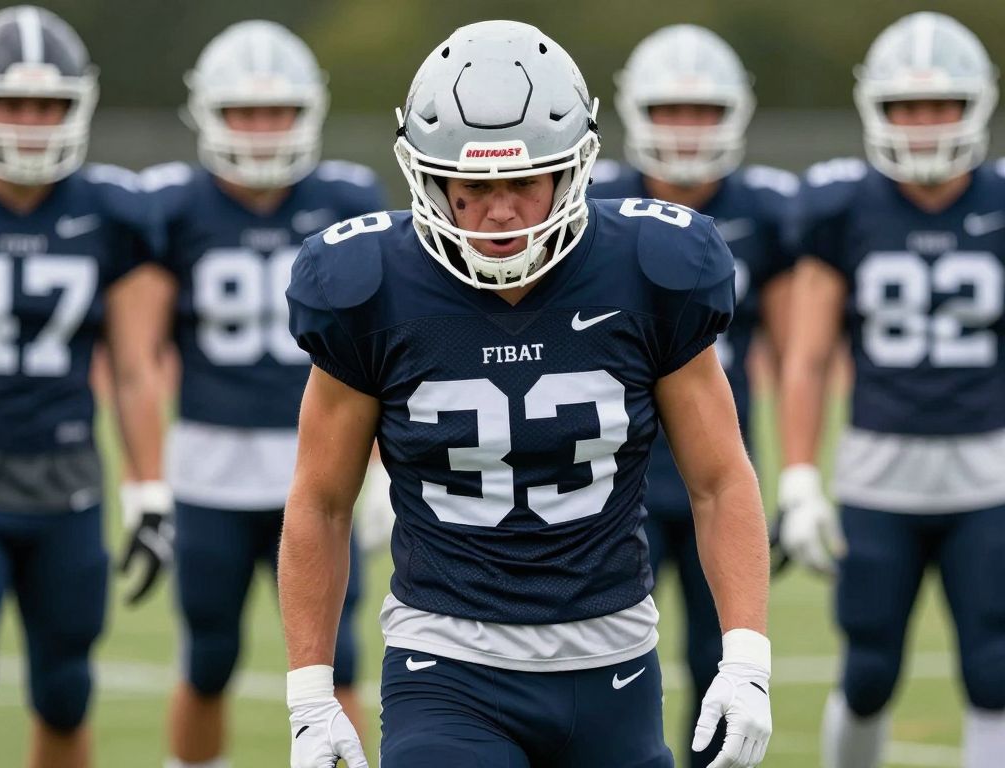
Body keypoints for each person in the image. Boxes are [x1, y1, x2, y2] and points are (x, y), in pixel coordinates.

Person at [281, 19, 772, 768]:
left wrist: (746, 659)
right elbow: (320, 500)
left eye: (524, 182)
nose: (501, 210)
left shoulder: (650, 268)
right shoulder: (368, 286)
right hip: (446, 661)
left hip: (614, 659)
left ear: (572, 171)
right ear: (430, 179)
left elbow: (719, 478)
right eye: (475, 187)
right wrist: (311, 695)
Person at [121, 20, 386, 768]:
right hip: (210, 469)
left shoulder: (347, 198)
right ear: (208, 114)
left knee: (340, 660)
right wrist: (146, 482)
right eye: (243, 113)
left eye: (278, 112)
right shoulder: (172, 207)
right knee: (207, 659)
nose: (262, 131)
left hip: (322, 465)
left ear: (310, 113)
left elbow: (383, 350)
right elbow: (137, 354)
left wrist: (385, 469)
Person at [778, 12, 1005, 768]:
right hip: (879, 474)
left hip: (989, 474)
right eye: (907, 106)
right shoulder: (844, 207)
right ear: (877, 110)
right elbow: (807, 357)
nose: (924, 123)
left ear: (975, 106)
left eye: (941, 105)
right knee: (869, 671)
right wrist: (800, 477)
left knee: (995, 671)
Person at [588, 24, 796, 768]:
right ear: (635, 112)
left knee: (721, 665)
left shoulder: (768, 211)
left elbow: (797, 353)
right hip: (619, 476)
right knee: (605, 669)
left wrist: (799, 475)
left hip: (719, 466)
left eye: (704, 111)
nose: (686, 129)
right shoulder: (591, 205)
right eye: (669, 110)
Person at [0, 6, 166, 768]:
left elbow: (133, 366)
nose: (30, 123)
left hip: (67, 487)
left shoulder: (109, 211)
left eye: (47, 104)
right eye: (11, 104)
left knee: (65, 692)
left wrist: (148, 490)